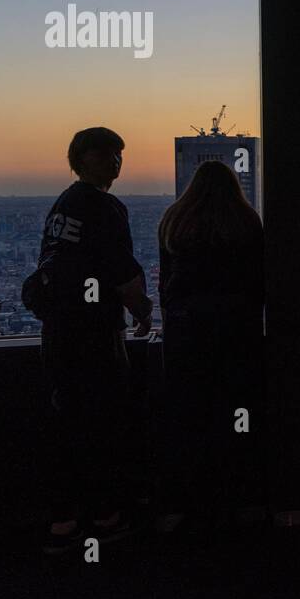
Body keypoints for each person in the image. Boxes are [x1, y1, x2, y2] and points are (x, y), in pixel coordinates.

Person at [33, 127, 152, 554]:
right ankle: (106, 516)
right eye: (105, 154)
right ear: (82, 159)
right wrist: (141, 309)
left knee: (67, 424)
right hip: (95, 333)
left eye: (118, 153)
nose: (115, 161)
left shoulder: (63, 204)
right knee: (105, 422)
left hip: (59, 330)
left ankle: (63, 522)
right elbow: (120, 270)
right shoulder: (105, 207)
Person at [155, 161, 265, 534]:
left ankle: (184, 505)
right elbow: (258, 280)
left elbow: (165, 283)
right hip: (237, 328)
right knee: (236, 413)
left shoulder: (174, 221)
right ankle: (241, 500)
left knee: (188, 416)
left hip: (186, 332)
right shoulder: (247, 222)